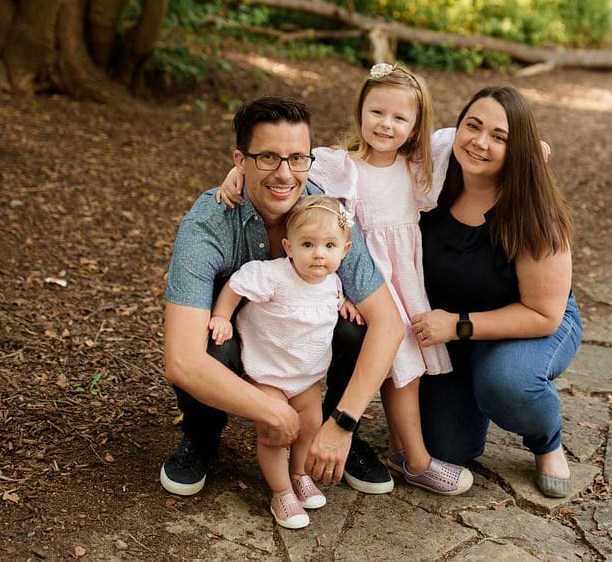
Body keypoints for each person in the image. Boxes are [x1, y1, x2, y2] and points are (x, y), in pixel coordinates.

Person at [218, 64, 473, 496]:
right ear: (360, 112)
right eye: (376, 112)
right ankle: (404, 454)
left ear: (414, 128)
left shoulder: (416, 169)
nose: (385, 125)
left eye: (399, 118)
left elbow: (451, 138)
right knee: (388, 357)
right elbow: (281, 161)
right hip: (350, 275)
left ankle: (411, 455)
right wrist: (236, 173)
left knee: (405, 367)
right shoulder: (339, 165)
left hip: (401, 283)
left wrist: (529, 144)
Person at [161, 96, 404, 500]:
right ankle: (202, 435)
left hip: (302, 348)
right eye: (268, 157)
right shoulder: (208, 223)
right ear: (241, 161)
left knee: (356, 326)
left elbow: (390, 323)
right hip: (240, 338)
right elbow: (181, 359)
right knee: (210, 340)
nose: (285, 174)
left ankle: (336, 437)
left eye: (297, 158)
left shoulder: (327, 213)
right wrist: (272, 411)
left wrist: (343, 422)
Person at [409, 85, 583, 499]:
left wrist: (458, 326)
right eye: (473, 126)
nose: (480, 143)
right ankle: (477, 387)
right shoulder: (433, 178)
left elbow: (543, 314)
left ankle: (547, 439)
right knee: (446, 449)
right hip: (452, 332)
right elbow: (362, 164)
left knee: (507, 383)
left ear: (516, 147)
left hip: (527, 322)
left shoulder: (533, 211)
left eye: (500, 137)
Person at [208, 195, 357, 528]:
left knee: (308, 428)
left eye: (330, 245)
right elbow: (236, 285)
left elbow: (330, 303)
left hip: (307, 379)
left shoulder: (333, 284)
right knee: (275, 432)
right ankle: (281, 492)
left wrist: (346, 302)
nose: (319, 254)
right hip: (268, 375)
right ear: (289, 247)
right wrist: (221, 316)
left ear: (344, 251)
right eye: (308, 244)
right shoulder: (273, 275)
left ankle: (299, 474)